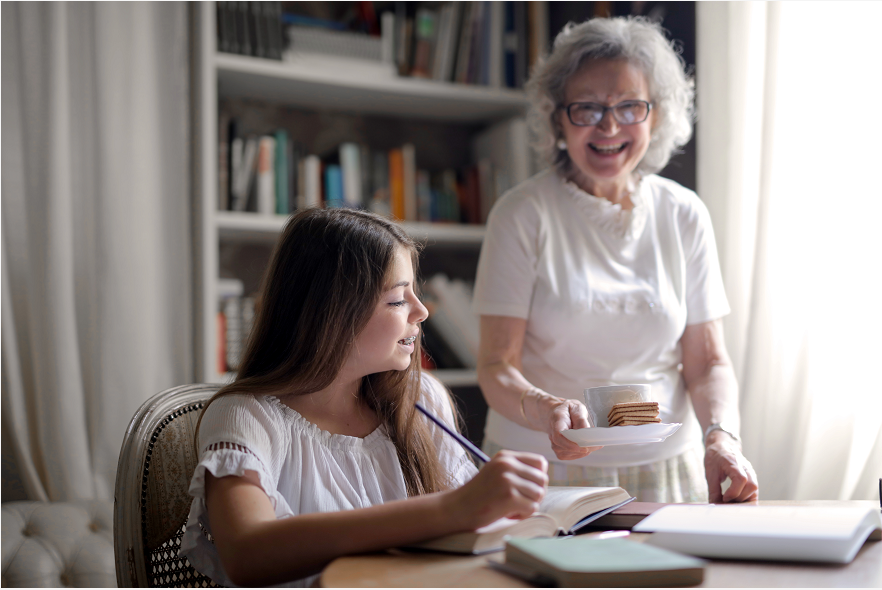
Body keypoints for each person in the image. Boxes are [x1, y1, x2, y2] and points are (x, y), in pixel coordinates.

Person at [180, 208, 548, 587]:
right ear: (331, 313)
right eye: (397, 300)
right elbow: (246, 553)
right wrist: (452, 509)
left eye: (414, 294)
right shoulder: (247, 418)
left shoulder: (422, 401)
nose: (422, 312)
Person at [474, 16, 758, 504]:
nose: (609, 126)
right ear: (557, 117)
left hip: (667, 466)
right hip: (540, 467)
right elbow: (497, 365)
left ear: (656, 115)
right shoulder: (521, 214)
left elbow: (708, 361)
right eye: (587, 108)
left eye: (630, 106)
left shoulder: (683, 213)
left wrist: (721, 436)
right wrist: (545, 409)